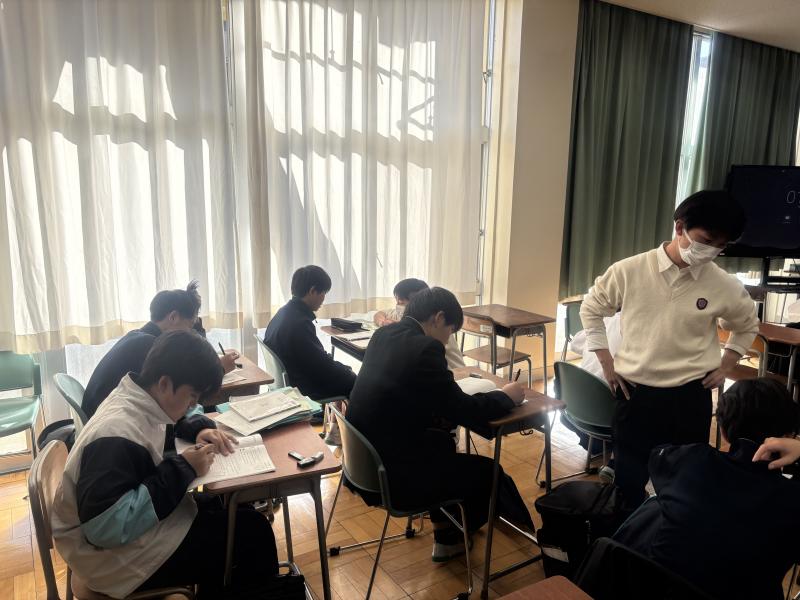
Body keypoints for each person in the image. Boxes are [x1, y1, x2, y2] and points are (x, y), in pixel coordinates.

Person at [52, 330, 278, 598]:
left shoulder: (140, 399)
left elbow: (166, 425)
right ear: (164, 383)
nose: (192, 405)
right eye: (192, 397)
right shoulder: (115, 433)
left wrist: (198, 429)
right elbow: (105, 528)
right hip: (112, 560)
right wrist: (184, 468)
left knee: (234, 510)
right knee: (252, 534)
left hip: (128, 538)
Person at [580, 190, 759, 508]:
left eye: (721, 246)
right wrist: (606, 361)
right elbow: (591, 308)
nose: (711, 251)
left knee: (683, 484)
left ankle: (673, 535)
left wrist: (725, 366)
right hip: (635, 392)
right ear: (679, 227)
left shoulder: (723, 284)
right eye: (707, 240)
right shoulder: (630, 270)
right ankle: (625, 534)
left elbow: (746, 326)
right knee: (627, 482)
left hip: (689, 395)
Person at [346, 287, 533, 561]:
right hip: (395, 480)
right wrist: (506, 397)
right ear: (439, 318)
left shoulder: (384, 335)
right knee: (487, 471)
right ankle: (461, 535)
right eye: (450, 331)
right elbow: (463, 410)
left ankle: (447, 535)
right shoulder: (426, 348)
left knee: (440, 442)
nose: (447, 340)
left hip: (364, 466)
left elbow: (403, 392)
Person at [613, 379, 800, 600]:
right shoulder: (792, 499)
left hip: (657, 590)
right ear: (789, 436)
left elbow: (657, 457)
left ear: (723, 430)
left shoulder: (689, 460)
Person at [83, 281, 239, 419]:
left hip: (104, 415)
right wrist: (220, 369)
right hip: (112, 424)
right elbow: (181, 391)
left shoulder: (140, 336)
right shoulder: (151, 347)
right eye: (190, 325)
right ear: (173, 317)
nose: (191, 333)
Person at [264, 265, 355, 446]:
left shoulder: (284, 313)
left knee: (345, 375)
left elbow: (314, 358)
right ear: (312, 291)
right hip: (303, 386)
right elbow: (321, 366)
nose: (323, 299)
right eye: (323, 293)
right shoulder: (299, 323)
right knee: (355, 383)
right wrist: (348, 372)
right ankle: (351, 442)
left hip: (292, 378)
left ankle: (335, 432)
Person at [374, 277, 466, 370]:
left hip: (455, 371)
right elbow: (380, 313)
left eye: (402, 302)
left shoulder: (437, 333)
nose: (399, 305)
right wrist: (383, 322)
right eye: (398, 302)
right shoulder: (428, 343)